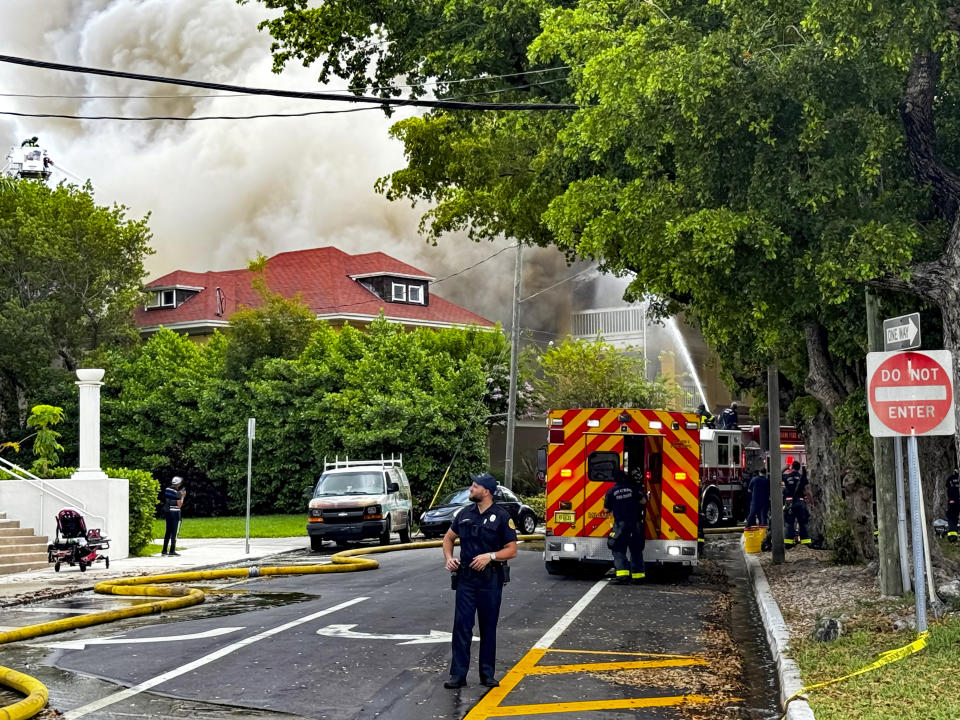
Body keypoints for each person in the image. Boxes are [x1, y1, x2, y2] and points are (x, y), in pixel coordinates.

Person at [442, 472, 518, 689]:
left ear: (486, 491)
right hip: (466, 580)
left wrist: (490, 556)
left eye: (474, 486)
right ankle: (458, 675)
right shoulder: (464, 514)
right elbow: (448, 538)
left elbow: (512, 550)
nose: (470, 489)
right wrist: (449, 558)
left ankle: (487, 674)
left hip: (490, 580)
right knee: (462, 627)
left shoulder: (502, 517)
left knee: (488, 628)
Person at [604, 467, 646, 584]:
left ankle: (623, 576)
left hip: (620, 526)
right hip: (635, 524)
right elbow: (643, 501)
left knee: (618, 549)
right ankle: (638, 577)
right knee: (636, 550)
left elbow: (606, 509)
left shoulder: (611, 491)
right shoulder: (633, 489)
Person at [782, 461, 810, 547]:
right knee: (803, 522)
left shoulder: (787, 476)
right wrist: (810, 501)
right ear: (799, 468)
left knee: (789, 523)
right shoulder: (802, 478)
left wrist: (786, 468)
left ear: (792, 467)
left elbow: (777, 476)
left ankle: (788, 543)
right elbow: (807, 491)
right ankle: (805, 542)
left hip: (789, 502)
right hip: (800, 502)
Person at [160, 476, 185, 556]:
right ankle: (172, 550)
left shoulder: (167, 489)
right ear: (179, 483)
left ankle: (164, 550)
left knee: (168, 531)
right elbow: (179, 504)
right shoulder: (177, 492)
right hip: (175, 513)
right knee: (175, 532)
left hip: (168, 512)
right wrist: (183, 496)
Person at [946, 468, 960, 542]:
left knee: (952, 518)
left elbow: (948, 487)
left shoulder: (950, 478)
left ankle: (952, 536)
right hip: (957, 500)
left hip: (953, 501)